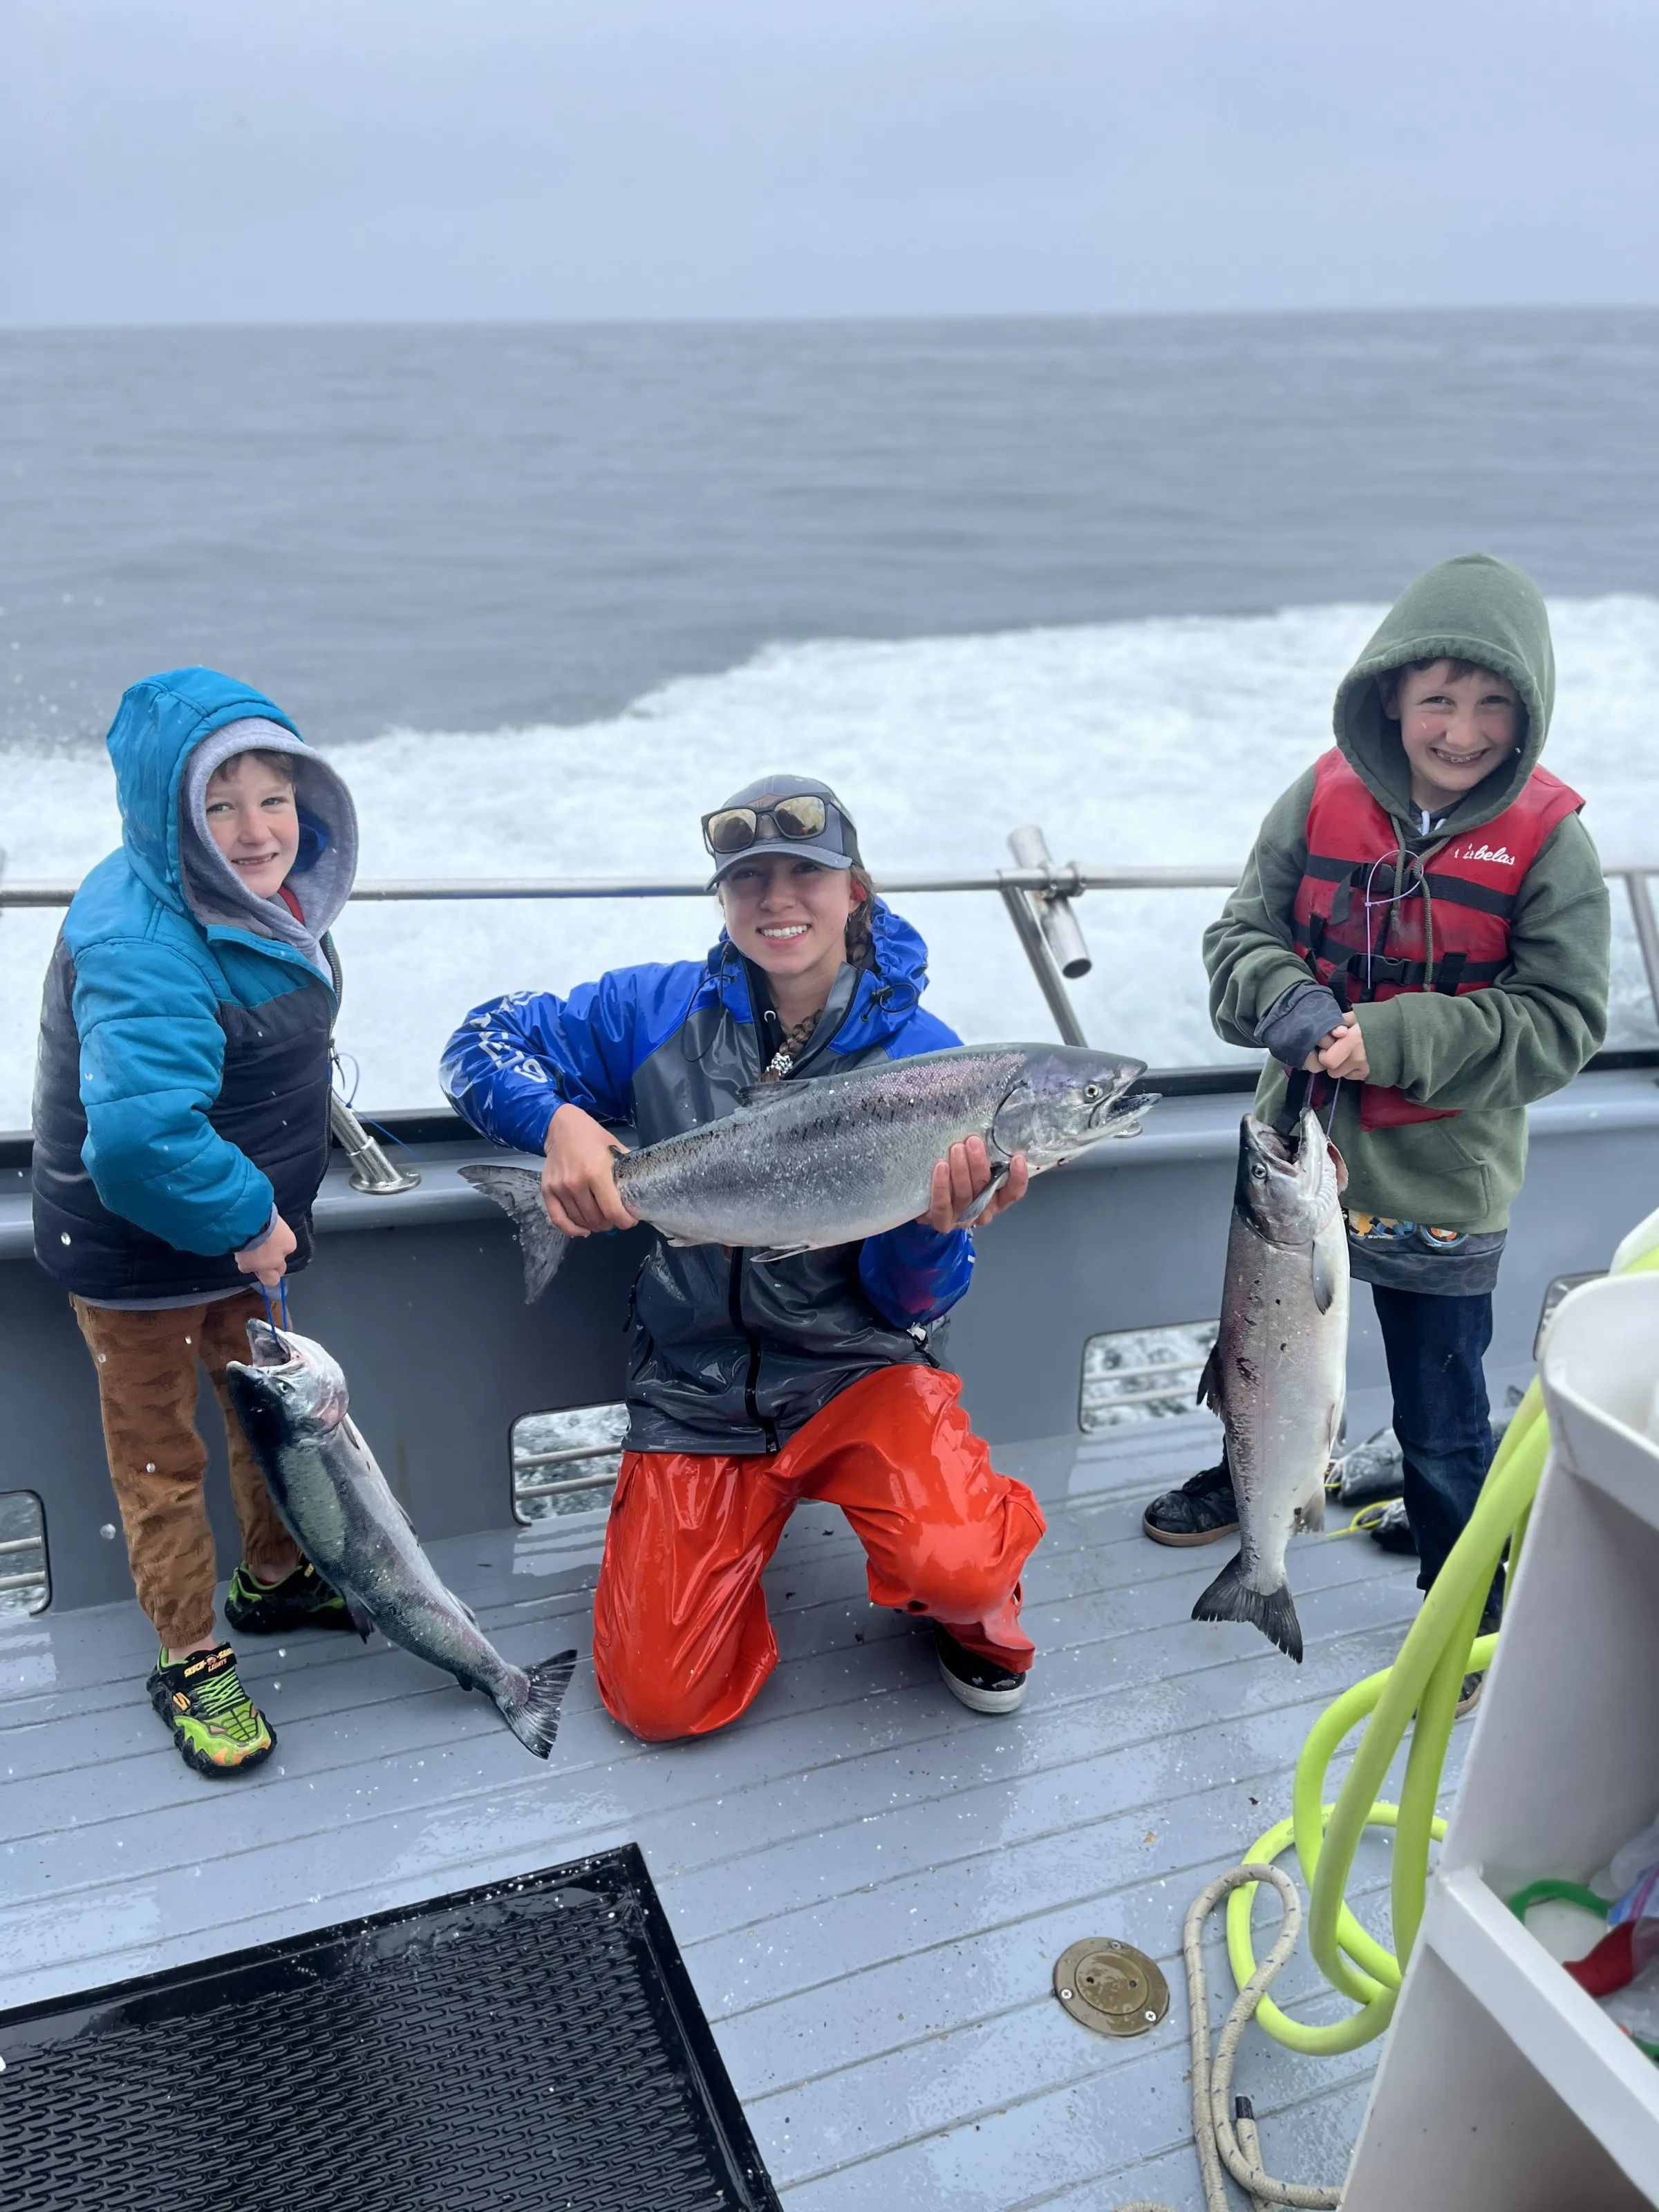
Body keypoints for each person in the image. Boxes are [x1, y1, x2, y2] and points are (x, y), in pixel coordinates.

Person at [441, 775, 1046, 1738]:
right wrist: (556, 1121)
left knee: (958, 1562)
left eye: (805, 873)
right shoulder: (654, 1011)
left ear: (857, 891)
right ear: (722, 902)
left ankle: (980, 1613)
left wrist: (936, 1229)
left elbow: (909, 1312)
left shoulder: (932, 1066)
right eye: (748, 878)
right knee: (656, 1703)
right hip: (696, 1383)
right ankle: (724, 1567)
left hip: (859, 1375)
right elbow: (479, 1042)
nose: (776, 899)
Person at [1143, 554, 1609, 1705]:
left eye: (1492, 704)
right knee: (1253, 1359)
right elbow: (1238, 939)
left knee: (1442, 1417)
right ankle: (1252, 1483)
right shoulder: (1316, 800)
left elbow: (1562, 1024)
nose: (1460, 728)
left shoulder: (1554, 847)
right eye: (1438, 697)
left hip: (1440, 1187)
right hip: (1292, 1160)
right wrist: (1288, 1001)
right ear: (1390, 696)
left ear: (1527, 715)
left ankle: (1467, 1602)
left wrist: (1389, 1039)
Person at [32, 668, 360, 1776]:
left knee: (263, 1417)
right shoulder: (144, 935)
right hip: (139, 1259)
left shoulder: (244, 900)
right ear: (168, 816)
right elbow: (136, 1144)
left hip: (239, 1234)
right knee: (164, 1463)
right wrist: (248, 1220)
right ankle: (190, 1658)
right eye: (219, 806)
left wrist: (253, 1223)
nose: (257, 829)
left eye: (275, 797)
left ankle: (272, 1579)